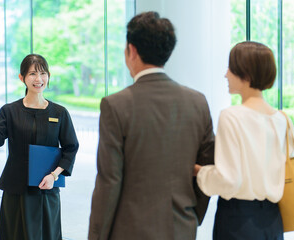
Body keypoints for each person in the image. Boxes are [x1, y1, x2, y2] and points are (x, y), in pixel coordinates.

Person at [88, 11, 214, 240]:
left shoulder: (115, 105)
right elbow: (207, 168)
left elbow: (109, 181)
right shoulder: (197, 102)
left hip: (130, 231)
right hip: (182, 228)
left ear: (132, 50)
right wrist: (191, 215)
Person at [0, 54, 79, 240]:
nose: (38, 79)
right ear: (22, 78)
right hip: (16, 189)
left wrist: (54, 175)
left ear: (48, 76)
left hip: (46, 188)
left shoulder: (59, 112)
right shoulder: (10, 111)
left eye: (43, 73)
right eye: (32, 74)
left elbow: (70, 147)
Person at [194, 41, 294, 240]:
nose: (226, 75)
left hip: (238, 220)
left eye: (231, 69)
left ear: (245, 74)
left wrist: (198, 171)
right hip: (273, 220)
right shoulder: (282, 119)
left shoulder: (232, 116)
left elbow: (228, 180)